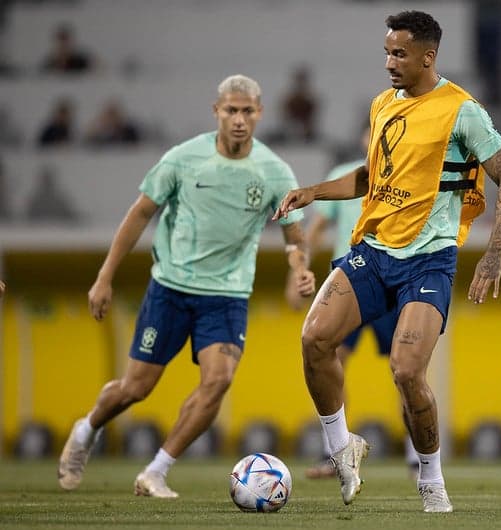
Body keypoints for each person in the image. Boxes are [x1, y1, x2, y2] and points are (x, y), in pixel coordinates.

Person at [273, 10, 501, 513]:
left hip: (429, 261)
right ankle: (344, 448)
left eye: (399, 53)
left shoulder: (462, 111)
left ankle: (431, 478)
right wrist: (313, 192)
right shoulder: (383, 104)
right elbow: (372, 177)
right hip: (375, 251)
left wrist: (494, 255)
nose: (389, 62)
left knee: (407, 372)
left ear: (428, 57)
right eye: (387, 52)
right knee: (314, 339)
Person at [57, 74, 316, 498]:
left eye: (247, 111)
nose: (238, 119)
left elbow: (294, 235)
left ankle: (156, 471)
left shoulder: (274, 171)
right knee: (135, 388)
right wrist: (105, 276)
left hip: (227, 295)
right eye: (231, 110)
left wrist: (298, 267)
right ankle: (87, 430)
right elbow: (140, 213)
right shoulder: (183, 158)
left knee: (219, 380)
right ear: (216, 111)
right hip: (171, 288)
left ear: (260, 114)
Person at [300, 125, 418, 479]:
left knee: (406, 372)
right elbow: (318, 227)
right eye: (371, 136)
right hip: (351, 284)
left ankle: (416, 455)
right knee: (329, 362)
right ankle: (334, 452)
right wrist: (301, 267)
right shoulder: (343, 176)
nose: (375, 142)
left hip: (391, 284)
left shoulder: (405, 175)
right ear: (364, 140)